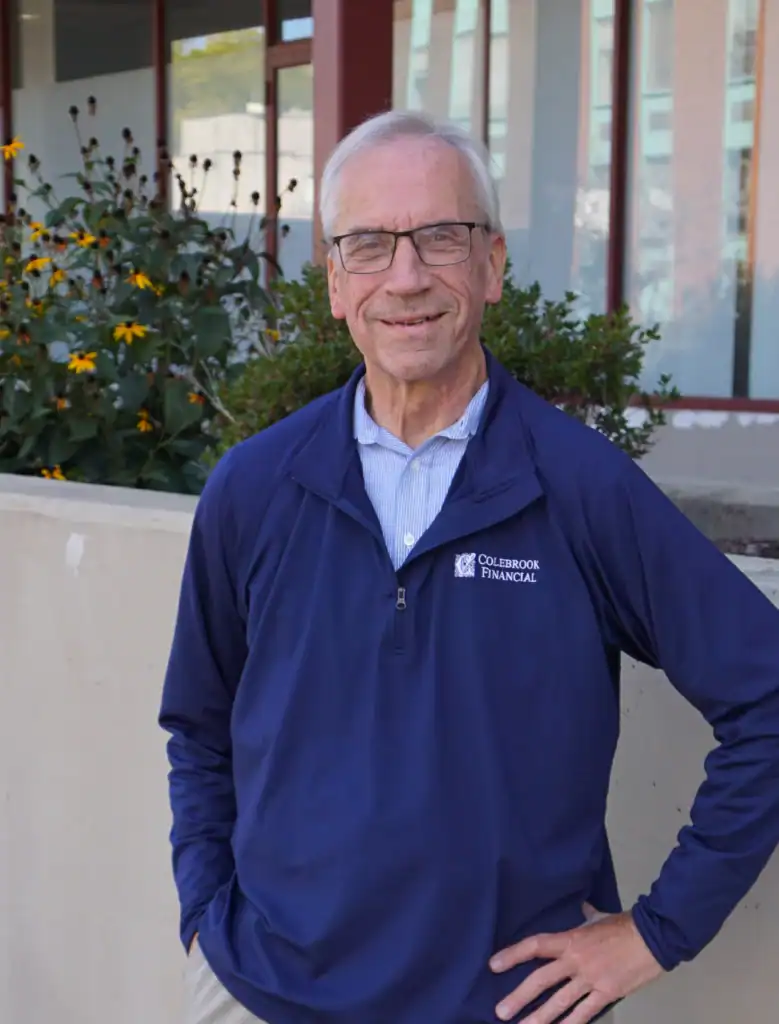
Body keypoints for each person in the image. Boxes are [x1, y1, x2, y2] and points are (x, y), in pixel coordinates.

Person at [159, 110, 779, 1024]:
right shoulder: (254, 487)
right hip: (263, 992)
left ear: (490, 265)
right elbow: (198, 729)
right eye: (367, 244)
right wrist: (206, 912)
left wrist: (656, 930)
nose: (404, 277)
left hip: (501, 1005)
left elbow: (767, 694)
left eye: (440, 238)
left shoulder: (577, 487)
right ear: (334, 282)